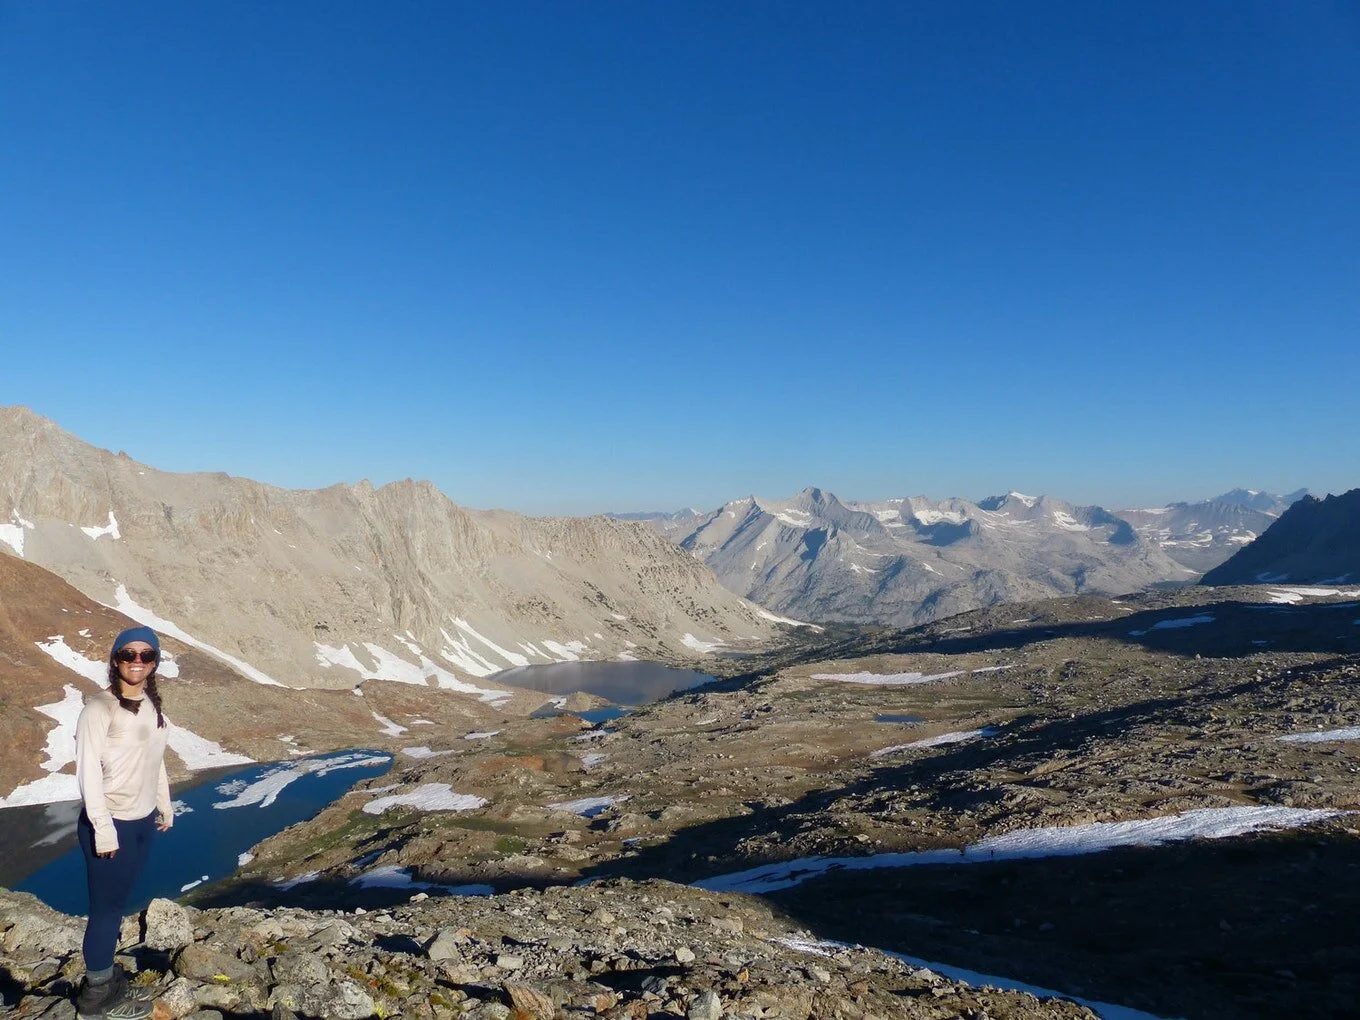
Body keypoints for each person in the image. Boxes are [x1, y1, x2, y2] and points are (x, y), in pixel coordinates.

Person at [72, 626, 173, 1020]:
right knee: (106, 911)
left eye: (146, 655)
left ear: (154, 663)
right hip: (110, 824)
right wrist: (103, 828)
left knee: (117, 904)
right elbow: (88, 775)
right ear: (115, 659)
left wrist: (164, 805)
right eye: (128, 654)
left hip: (142, 821)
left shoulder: (151, 704)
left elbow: (154, 758)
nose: (137, 661)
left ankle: (106, 977)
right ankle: (97, 1000)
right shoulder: (98, 709)